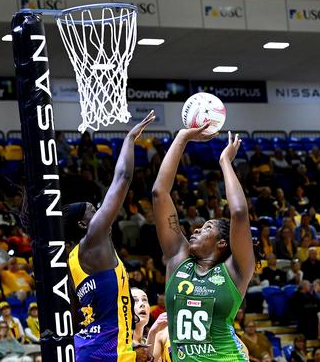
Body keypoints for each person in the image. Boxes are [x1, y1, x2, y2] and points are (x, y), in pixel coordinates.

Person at [153, 128, 254, 361]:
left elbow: (238, 212)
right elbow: (159, 193)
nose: (197, 229)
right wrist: (181, 138)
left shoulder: (235, 271)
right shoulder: (178, 260)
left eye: (207, 227)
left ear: (221, 242)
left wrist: (225, 161)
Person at [64, 114, 153, 361]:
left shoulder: (73, 260)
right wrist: (129, 139)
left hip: (93, 349)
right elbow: (123, 178)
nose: (101, 210)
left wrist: (127, 348)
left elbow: (82, 316)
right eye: (94, 210)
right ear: (83, 223)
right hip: (104, 353)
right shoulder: (93, 237)